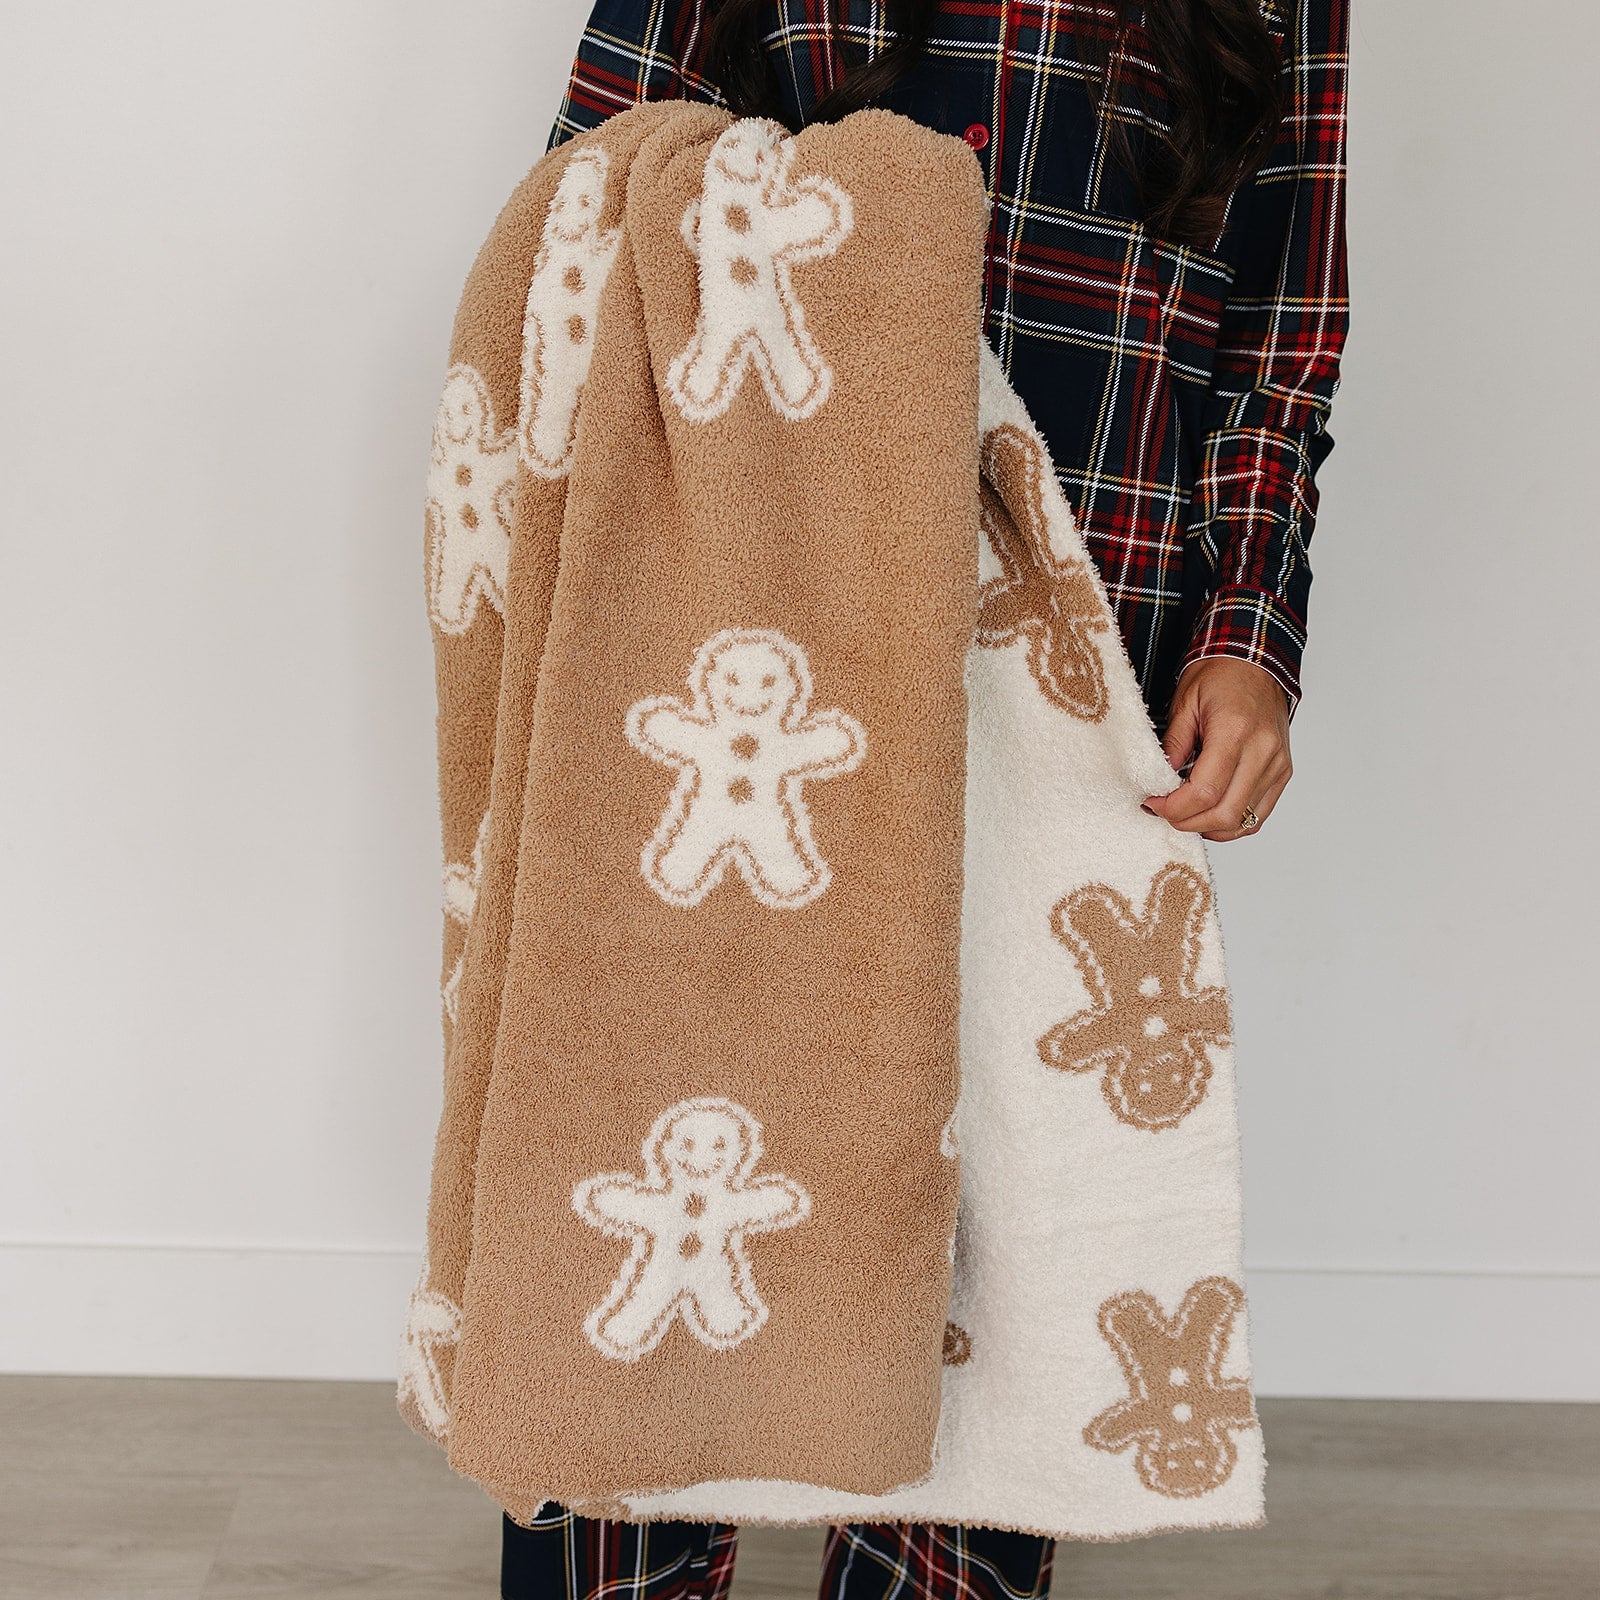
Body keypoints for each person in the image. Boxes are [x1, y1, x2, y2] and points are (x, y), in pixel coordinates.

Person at [503, 1, 1348, 1595]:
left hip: (1077, 630)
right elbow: (583, 204)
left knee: (998, 1204)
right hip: (748, 625)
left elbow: (1281, 334)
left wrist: (1252, 628)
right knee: (661, 1145)